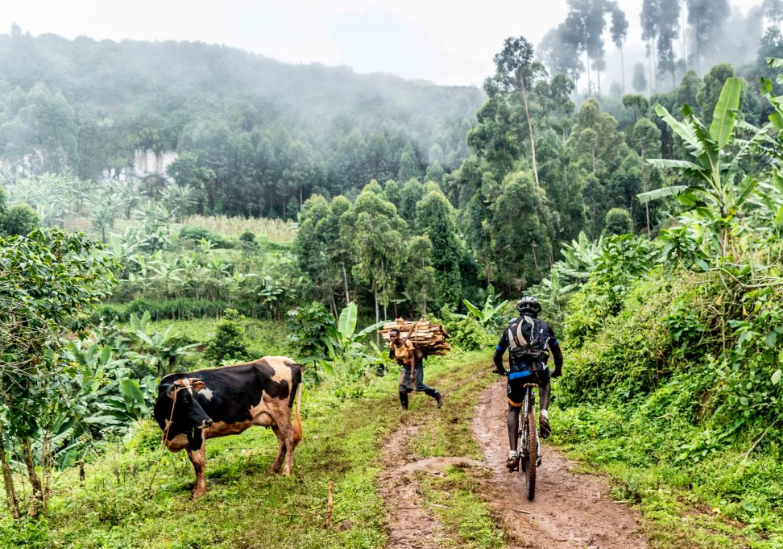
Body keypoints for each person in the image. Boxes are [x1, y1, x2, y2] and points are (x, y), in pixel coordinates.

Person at [493, 296, 563, 470]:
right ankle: (544, 413)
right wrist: (558, 370)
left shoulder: (510, 327)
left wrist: (501, 369)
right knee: (545, 383)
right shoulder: (545, 327)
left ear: (520, 310)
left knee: (513, 409)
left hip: (516, 375)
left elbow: (497, 354)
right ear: (537, 310)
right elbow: (557, 354)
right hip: (539, 372)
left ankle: (512, 453)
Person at [388, 328, 444, 410]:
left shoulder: (407, 343)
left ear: (399, 336)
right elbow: (392, 356)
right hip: (406, 366)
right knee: (402, 386)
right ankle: (404, 407)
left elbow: (412, 357)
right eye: (391, 337)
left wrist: (412, 373)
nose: (392, 338)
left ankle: (437, 394)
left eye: (394, 336)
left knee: (418, 386)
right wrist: (392, 349)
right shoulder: (392, 344)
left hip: (416, 365)